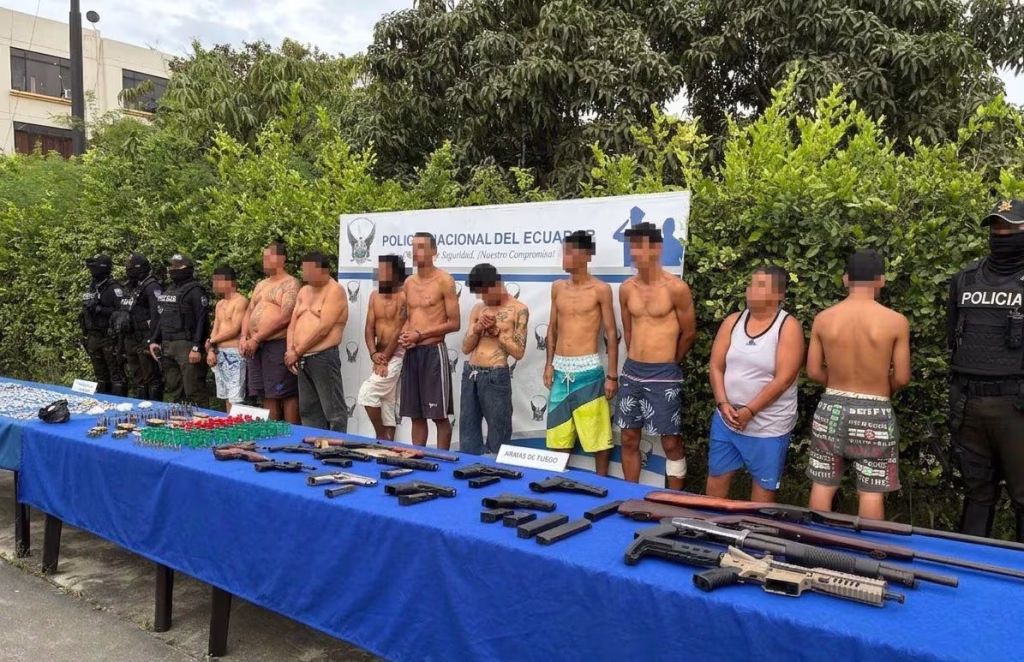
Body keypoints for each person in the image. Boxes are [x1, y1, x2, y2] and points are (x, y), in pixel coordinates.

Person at [806, 250, 911, 519]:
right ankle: (868, 544)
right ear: (881, 280)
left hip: (830, 409)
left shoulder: (823, 319)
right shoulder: (896, 321)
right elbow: (902, 377)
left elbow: (813, 371)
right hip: (875, 412)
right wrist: (879, 387)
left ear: (845, 279)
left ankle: (815, 541)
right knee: (871, 492)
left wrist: (838, 384)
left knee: (823, 484)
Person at [948, 199, 1024, 541]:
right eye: (996, 227)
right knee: (976, 494)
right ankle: (969, 563)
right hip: (969, 404)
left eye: (1010, 227)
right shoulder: (965, 279)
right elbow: (953, 336)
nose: (1001, 233)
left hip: (1016, 406)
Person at [706, 267, 804, 502]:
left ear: (778, 294)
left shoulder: (788, 327)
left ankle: (754, 527)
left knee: (762, 496)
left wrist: (750, 410)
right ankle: (710, 522)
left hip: (768, 426)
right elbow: (716, 366)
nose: (750, 289)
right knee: (716, 482)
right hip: (727, 420)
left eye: (760, 285)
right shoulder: (732, 321)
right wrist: (722, 403)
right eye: (751, 284)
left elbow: (784, 379)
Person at [615, 222, 696, 489]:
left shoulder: (676, 288)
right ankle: (630, 495)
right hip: (632, 372)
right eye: (632, 247)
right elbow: (628, 331)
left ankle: (675, 501)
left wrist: (671, 362)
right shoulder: (626, 288)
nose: (635, 253)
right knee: (628, 438)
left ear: (657, 248)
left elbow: (689, 332)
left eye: (641, 246)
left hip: (664, 374)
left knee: (670, 441)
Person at [544, 231, 618, 475]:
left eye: (569, 252)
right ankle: (556, 479)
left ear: (585, 255)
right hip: (560, 369)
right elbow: (552, 327)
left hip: (588, 370)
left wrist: (612, 375)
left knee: (597, 433)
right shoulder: (557, 287)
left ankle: (602, 481)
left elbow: (611, 333)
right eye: (563, 251)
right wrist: (548, 364)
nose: (564, 257)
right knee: (558, 432)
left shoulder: (601, 289)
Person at [398, 233, 461, 449]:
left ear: (434, 251)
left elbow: (454, 323)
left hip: (433, 353)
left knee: (439, 416)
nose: (417, 252)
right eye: (414, 247)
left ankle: (442, 460)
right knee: (416, 416)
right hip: (412, 353)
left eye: (422, 247)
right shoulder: (409, 282)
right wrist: (405, 335)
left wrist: (421, 335)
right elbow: (407, 317)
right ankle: (418, 457)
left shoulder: (444, 281)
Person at [460, 263, 528, 455]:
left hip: (496, 375)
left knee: (499, 435)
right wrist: (478, 329)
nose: (483, 298)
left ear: (496, 284)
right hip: (471, 373)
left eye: (484, 293)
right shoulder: (478, 309)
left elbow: (519, 352)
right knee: (468, 436)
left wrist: (497, 332)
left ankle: (497, 470)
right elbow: (465, 348)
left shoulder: (519, 309)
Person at [284, 252, 349, 432]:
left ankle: (337, 445)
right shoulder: (304, 291)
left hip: (323, 356)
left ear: (322, 270)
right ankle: (315, 444)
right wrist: (290, 350)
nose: (304, 273)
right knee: (308, 409)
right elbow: (292, 324)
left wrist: (297, 351)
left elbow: (324, 328)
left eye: (308, 269)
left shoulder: (335, 290)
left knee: (333, 410)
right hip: (301, 358)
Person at [240, 240, 301, 423]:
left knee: (286, 393)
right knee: (266, 392)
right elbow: (249, 311)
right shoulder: (261, 284)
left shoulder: (291, 284)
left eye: (268, 257)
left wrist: (257, 338)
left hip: (276, 343)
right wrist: (244, 337)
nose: (264, 261)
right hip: (256, 346)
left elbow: (285, 317)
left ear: (281, 259)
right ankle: (272, 431)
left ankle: (291, 432)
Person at [148, 254, 211, 406]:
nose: (172, 269)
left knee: (194, 388)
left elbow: (202, 320)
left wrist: (197, 347)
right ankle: (180, 418)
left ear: (187, 268)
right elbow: (163, 316)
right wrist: (154, 340)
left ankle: (203, 418)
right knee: (175, 387)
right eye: (171, 266)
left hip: (187, 345)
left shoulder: (196, 291)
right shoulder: (170, 290)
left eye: (176, 266)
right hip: (167, 345)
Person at [357, 255, 408, 440]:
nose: (381, 274)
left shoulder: (404, 297)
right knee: (387, 400)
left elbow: (399, 330)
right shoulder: (374, 296)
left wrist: (384, 359)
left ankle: (381, 437)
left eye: (386, 270)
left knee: (367, 393)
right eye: (380, 270)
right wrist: (373, 354)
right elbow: (369, 328)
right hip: (380, 355)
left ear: (396, 274)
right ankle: (387, 444)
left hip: (397, 354)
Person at [109, 253, 162, 399]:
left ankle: (154, 407)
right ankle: (141, 405)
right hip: (130, 337)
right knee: (138, 377)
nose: (128, 270)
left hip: (145, 338)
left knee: (151, 377)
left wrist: (153, 339)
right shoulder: (131, 286)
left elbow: (157, 315)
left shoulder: (152, 286)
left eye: (131, 267)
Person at [79, 255, 127, 396]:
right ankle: (102, 401)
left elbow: (122, 313)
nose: (91, 270)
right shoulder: (93, 286)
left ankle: (119, 402)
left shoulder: (114, 288)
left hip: (109, 337)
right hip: (93, 335)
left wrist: (100, 309)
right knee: (100, 375)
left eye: (94, 267)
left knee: (116, 374)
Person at [205, 267, 249, 412]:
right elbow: (215, 329)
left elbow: (235, 329)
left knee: (236, 396)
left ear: (229, 282)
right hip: (219, 352)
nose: (215, 284)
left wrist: (212, 341)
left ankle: (237, 422)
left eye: (218, 281)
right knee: (225, 395)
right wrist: (211, 349)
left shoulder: (241, 301)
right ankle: (228, 421)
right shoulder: (220, 304)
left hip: (234, 352)